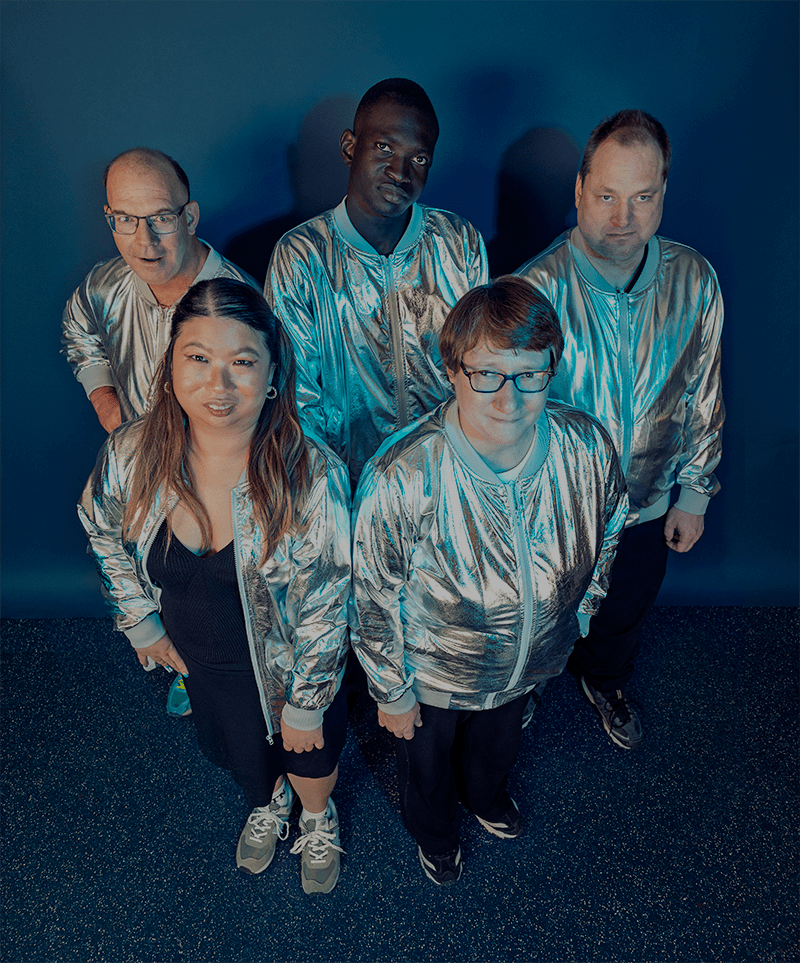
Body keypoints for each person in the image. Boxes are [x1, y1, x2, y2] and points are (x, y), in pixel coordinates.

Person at [351, 277, 628, 885]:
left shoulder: (585, 446)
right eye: (487, 375)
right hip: (431, 676)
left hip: (529, 661)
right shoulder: (403, 474)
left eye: (529, 374)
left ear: (552, 368)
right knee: (424, 766)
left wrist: (582, 611)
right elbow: (371, 595)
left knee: (497, 749)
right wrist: (391, 689)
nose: (509, 398)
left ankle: (486, 798)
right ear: (452, 370)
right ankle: (436, 835)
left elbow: (609, 529)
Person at [78, 279, 351, 894]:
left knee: (308, 760)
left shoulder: (310, 477)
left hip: (288, 671)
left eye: (242, 362)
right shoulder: (132, 454)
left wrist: (306, 701)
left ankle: (315, 816)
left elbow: (328, 603)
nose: (218, 385)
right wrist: (140, 621)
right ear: (170, 364)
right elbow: (98, 525)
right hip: (203, 663)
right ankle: (269, 806)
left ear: (274, 374)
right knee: (246, 762)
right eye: (198, 358)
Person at [516, 109, 724, 749]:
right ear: (579, 190)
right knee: (542, 618)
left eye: (642, 197)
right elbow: (506, 417)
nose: (621, 217)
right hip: (556, 513)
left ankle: (604, 680)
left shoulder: (694, 280)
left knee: (624, 615)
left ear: (664, 193)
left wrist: (694, 493)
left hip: (648, 500)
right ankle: (526, 689)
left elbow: (704, 391)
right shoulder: (532, 290)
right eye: (606, 195)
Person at [63, 147, 259, 717]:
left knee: (213, 584)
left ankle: (228, 672)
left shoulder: (237, 301)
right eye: (125, 220)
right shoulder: (104, 286)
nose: (143, 241)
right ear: (109, 218)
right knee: (148, 568)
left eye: (160, 219)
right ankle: (179, 662)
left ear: (190, 217)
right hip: (140, 468)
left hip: (216, 472)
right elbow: (81, 331)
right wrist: (106, 402)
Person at [266, 78, 489, 490]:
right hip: (347, 490)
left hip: (446, 484)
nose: (400, 171)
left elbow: (481, 367)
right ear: (350, 147)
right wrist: (332, 495)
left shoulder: (458, 243)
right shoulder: (302, 255)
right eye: (384, 148)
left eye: (418, 158)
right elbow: (297, 397)